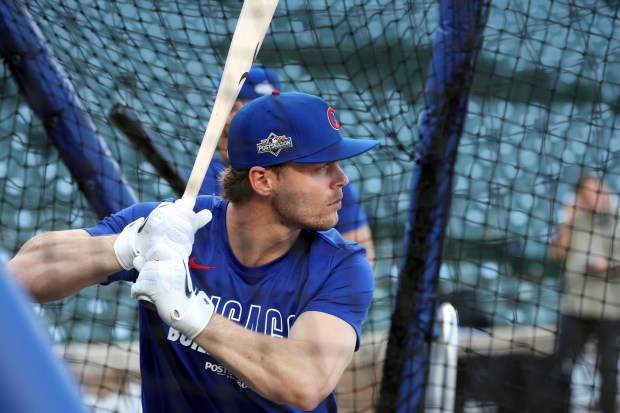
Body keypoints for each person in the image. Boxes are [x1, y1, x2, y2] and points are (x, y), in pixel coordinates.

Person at [7, 91, 380, 413]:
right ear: (263, 179)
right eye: (321, 167)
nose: (341, 179)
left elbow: (306, 382)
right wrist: (128, 246)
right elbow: (19, 277)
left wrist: (189, 314)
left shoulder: (342, 265)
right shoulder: (177, 226)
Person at [199, 65, 376, 267]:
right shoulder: (204, 176)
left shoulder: (326, 184)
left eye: (249, 109)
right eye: (230, 109)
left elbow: (363, 262)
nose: (232, 120)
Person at [547, 172, 620, 413]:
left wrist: (607, 264)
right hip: (576, 304)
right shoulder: (578, 217)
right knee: (562, 366)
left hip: (611, 306)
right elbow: (557, 253)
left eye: (598, 193)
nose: (595, 200)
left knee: (609, 372)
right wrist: (567, 219)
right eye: (588, 196)